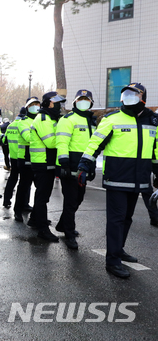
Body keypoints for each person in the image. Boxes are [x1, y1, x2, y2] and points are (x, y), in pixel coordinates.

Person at [78, 83, 158, 278]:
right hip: (117, 178)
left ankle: (119, 250)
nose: (128, 96)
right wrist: (84, 164)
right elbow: (95, 143)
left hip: (139, 178)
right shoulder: (112, 119)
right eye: (125, 93)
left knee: (127, 217)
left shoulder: (153, 120)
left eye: (134, 93)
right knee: (116, 219)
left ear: (143, 97)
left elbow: (156, 149)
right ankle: (112, 260)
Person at [54, 89, 96, 249]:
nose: (84, 101)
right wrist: (64, 163)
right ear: (75, 102)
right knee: (71, 201)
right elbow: (62, 142)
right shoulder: (68, 119)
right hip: (69, 167)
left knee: (78, 199)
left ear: (91, 102)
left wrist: (90, 167)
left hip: (82, 168)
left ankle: (62, 225)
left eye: (87, 99)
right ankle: (69, 234)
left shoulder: (91, 121)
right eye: (81, 99)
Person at [28, 91, 66, 242]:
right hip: (43, 162)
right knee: (43, 197)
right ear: (49, 103)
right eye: (56, 102)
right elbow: (51, 143)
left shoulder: (51, 118)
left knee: (42, 195)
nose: (59, 105)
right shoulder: (43, 119)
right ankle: (42, 229)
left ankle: (34, 219)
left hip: (47, 162)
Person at [13, 97, 40, 222]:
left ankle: (36, 214)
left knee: (39, 189)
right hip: (25, 159)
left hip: (38, 159)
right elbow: (29, 137)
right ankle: (17, 211)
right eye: (32, 104)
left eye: (37, 104)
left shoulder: (40, 120)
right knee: (24, 186)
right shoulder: (23, 122)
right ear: (27, 107)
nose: (35, 106)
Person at [2, 108, 25, 208]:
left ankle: (6, 200)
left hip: (13, 156)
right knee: (24, 182)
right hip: (23, 156)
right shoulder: (25, 124)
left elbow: (4, 140)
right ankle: (24, 204)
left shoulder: (10, 125)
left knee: (12, 179)